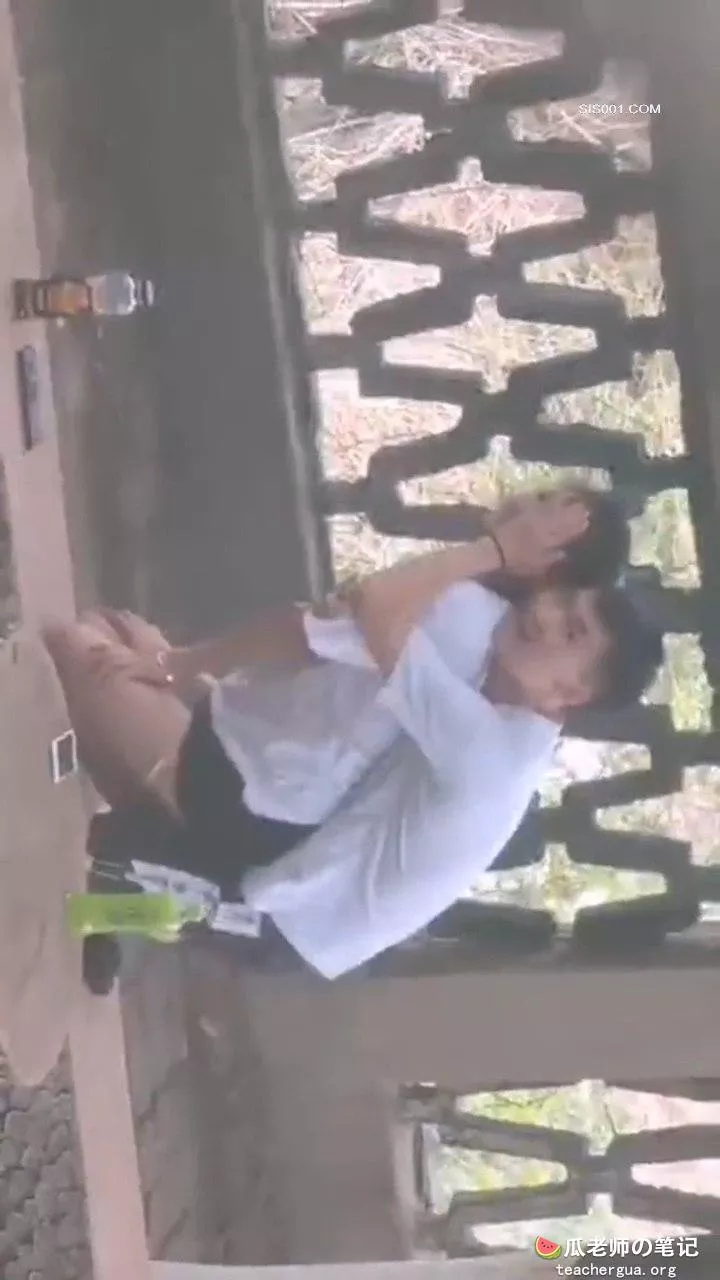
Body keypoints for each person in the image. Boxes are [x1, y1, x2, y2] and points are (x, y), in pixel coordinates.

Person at [42, 484, 659, 980]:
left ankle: (123, 885)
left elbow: (351, 616)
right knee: (119, 650)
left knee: (74, 649)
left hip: (277, 891)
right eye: (564, 608)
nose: (525, 504)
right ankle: (132, 868)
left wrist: (493, 549)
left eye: (545, 520)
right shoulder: (510, 701)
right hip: (289, 848)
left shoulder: (478, 670)